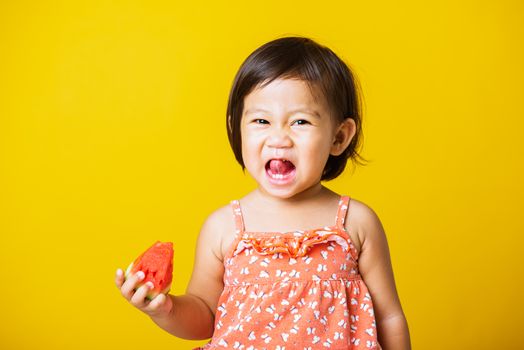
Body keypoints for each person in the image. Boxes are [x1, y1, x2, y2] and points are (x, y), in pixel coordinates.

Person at [115, 36, 411, 349]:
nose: (279, 138)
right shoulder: (224, 227)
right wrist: (165, 309)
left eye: (300, 121)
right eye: (261, 120)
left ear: (339, 137)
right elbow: (205, 314)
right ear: (237, 128)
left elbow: (389, 317)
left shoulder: (356, 223)